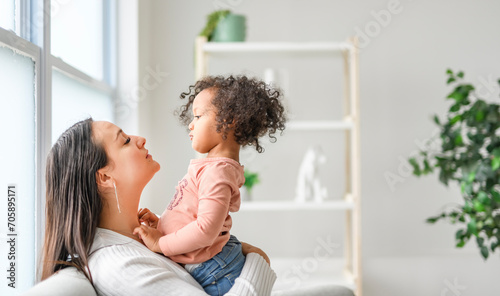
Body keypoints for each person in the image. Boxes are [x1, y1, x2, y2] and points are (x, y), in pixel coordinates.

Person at [41, 118, 276, 296]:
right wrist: (258, 261)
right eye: (124, 140)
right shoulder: (120, 265)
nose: (140, 139)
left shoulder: (145, 237)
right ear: (103, 178)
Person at [133, 75, 287, 295]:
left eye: (197, 116)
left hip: (216, 270)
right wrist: (163, 225)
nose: (190, 123)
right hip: (212, 262)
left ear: (229, 120)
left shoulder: (218, 172)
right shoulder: (215, 168)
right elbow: (196, 215)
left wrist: (161, 244)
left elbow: (205, 230)